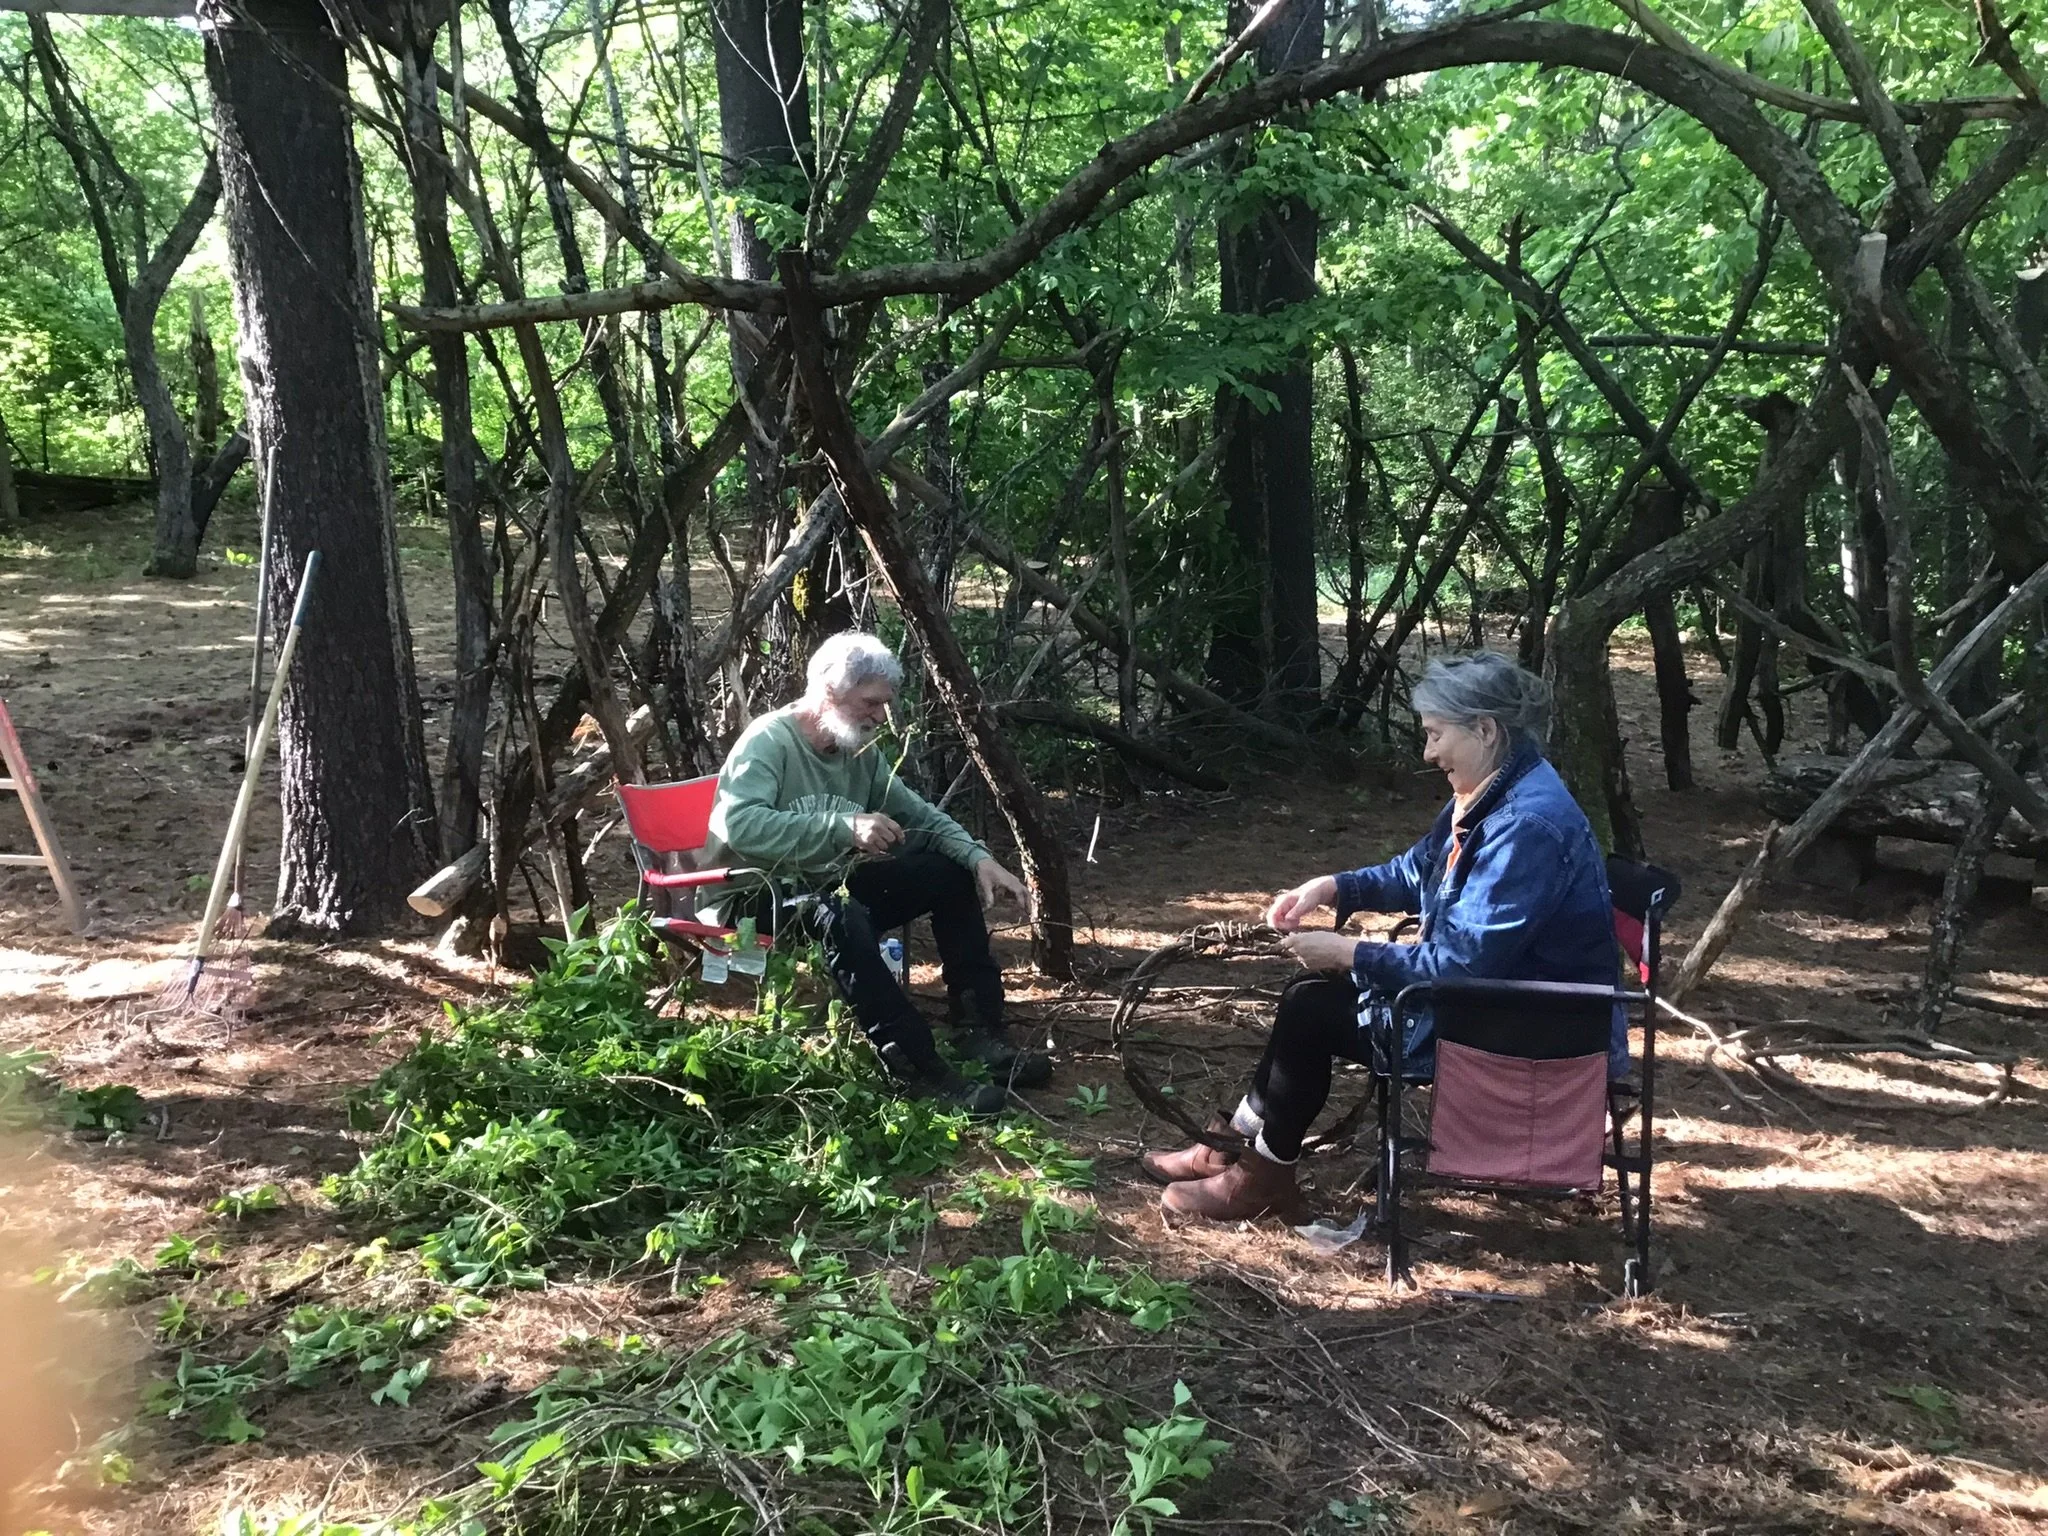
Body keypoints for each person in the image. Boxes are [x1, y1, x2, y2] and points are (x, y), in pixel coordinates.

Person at [1143, 651, 1623, 1222]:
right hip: (1490, 1005)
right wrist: (1332, 888)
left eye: (1435, 735)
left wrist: (1350, 953)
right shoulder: (1494, 789)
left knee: (1312, 1012)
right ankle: (1232, 1150)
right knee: (1306, 1001)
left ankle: (1260, 1179)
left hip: (1530, 1028)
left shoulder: (1528, 827)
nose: (1428, 753)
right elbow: (1416, 871)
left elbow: (1463, 966)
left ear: (1486, 730)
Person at [703, 631, 1050, 1116]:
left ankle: (980, 1032)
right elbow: (740, 826)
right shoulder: (769, 740)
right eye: (870, 703)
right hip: (751, 896)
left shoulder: (858, 753)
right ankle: (917, 1065)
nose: (879, 716)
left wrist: (978, 859)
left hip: (826, 886)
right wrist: (842, 827)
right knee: (839, 915)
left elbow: (920, 817)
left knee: (944, 873)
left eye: (884, 704)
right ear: (829, 691)